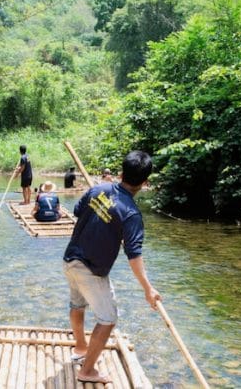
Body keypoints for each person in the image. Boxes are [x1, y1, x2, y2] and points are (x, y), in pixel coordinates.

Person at [63, 151, 161, 384]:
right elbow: (134, 256)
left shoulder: (98, 189)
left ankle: (80, 348)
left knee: (77, 304)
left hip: (70, 260)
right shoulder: (131, 214)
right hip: (90, 270)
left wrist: (104, 215)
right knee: (108, 320)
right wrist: (148, 289)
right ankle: (87, 371)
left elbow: (77, 211)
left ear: (121, 173)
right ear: (145, 183)